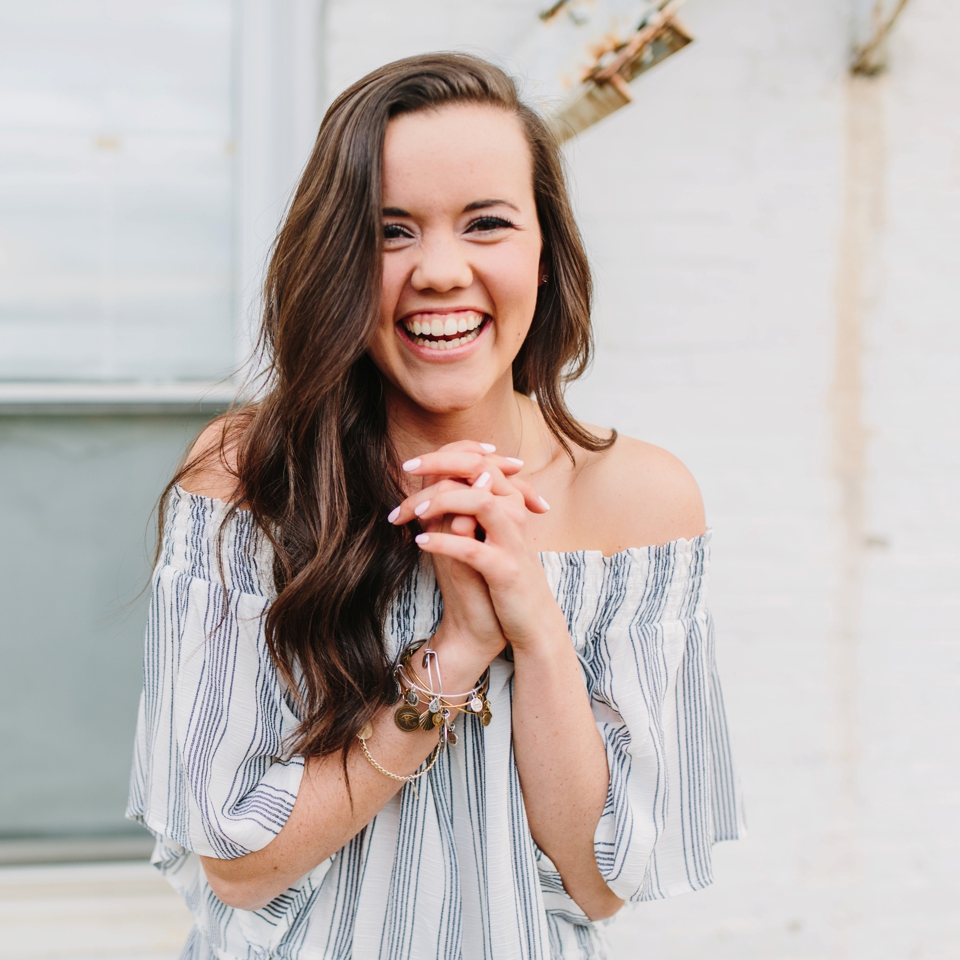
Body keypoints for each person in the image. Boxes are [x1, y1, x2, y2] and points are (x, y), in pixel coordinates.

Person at [127, 53, 742, 960]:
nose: (442, 270)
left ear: (546, 251)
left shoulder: (639, 503)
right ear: (335, 259)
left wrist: (534, 626)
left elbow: (603, 883)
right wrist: (456, 654)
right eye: (391, 231)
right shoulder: (250, 476)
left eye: (487, 222)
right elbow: (238, 864)